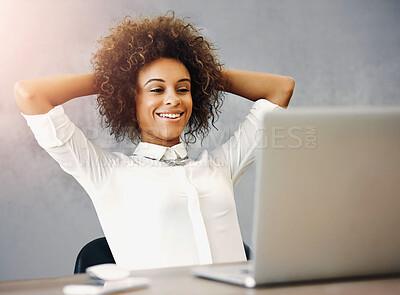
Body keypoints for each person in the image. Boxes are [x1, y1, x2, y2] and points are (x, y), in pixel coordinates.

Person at [14, 12, 294, 271]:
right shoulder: (106, 173)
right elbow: (30, 94)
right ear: (129, 98)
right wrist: (117, 77)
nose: (173, 98)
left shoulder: (220, 167)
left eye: (182, 89)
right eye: (156, 89)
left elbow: (281, 89)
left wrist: (202, 74)